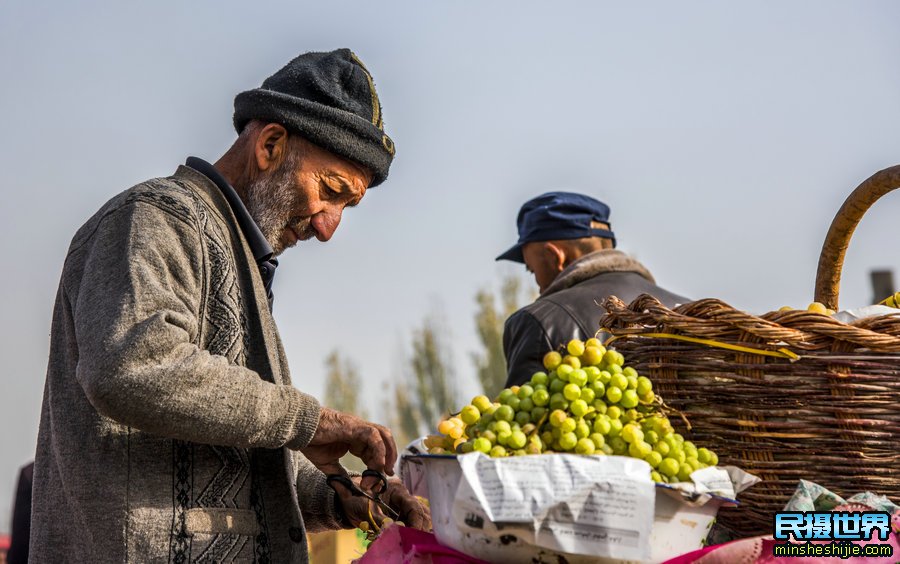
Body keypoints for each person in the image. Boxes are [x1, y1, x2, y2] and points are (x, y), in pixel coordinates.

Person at [30, 48, 427, 563]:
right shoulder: (156, 218)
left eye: (345, 207)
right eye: (330, 191)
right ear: (271, 144)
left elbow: (231, 455)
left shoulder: (240, 258)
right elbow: (132, 367)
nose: (329, 227)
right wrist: (312, 422)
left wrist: (338, 495)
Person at [497, 192, 687, 387]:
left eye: (531, 270)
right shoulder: (691, 311)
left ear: (555, 257)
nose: (536, 283)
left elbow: (529, 411)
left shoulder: (537, 323)